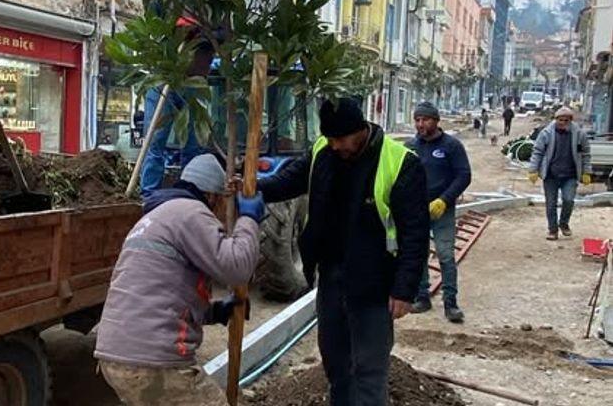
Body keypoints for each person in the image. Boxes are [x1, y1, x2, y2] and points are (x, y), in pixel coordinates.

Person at [257, 98, 429, 406]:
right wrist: (253, 187)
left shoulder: (400, 163)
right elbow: (288, 181)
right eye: (331, 139)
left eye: (341, 139)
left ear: (360, 129)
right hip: (332, 276)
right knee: (336, 363)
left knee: (369, 367)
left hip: (374, 283)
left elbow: (415, 233)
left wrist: (404, 290)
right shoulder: (324, 150)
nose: (335, 146)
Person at [95, 154, 264, 406]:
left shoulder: (156, 217)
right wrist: (249, 220)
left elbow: (161, 296)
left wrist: (214, 312)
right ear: (212, 197)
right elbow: (236, 267)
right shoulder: (191, 213)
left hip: (115, 357)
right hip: (153, 361)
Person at [405, 102, 472, 323]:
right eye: (417, 120)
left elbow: (463, 175)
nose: (420, 124)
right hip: (417, 210)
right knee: (418, 253)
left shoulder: (451, 146)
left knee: (445, 254)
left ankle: (451, 302)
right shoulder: (411, 146)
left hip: (442, 210)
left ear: (436, 121)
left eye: (425, 120)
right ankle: (422, 296)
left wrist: (444, 200)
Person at [140, 17, 215, 197]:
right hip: (164, 78)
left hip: (193, 82)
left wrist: (205, 31)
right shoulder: (168, 8)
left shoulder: (210, 12)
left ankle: (188, 191)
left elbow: (223, 37)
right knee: (155, 139)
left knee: (194, 145)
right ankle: (149, 194)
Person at [528, 107, 592, 240]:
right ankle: (552, 229)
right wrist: (533, 170)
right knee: (551, 204)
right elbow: (538, 152)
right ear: (555, 119)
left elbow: (585, 154)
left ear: (570, 121)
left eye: (566, 120)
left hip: (570, 175)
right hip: (551, 175)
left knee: (568, 200)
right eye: (560, 120)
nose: (563, 122)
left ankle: (564, 224)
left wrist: (586, 172)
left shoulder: (579, 135)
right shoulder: (546, 133)